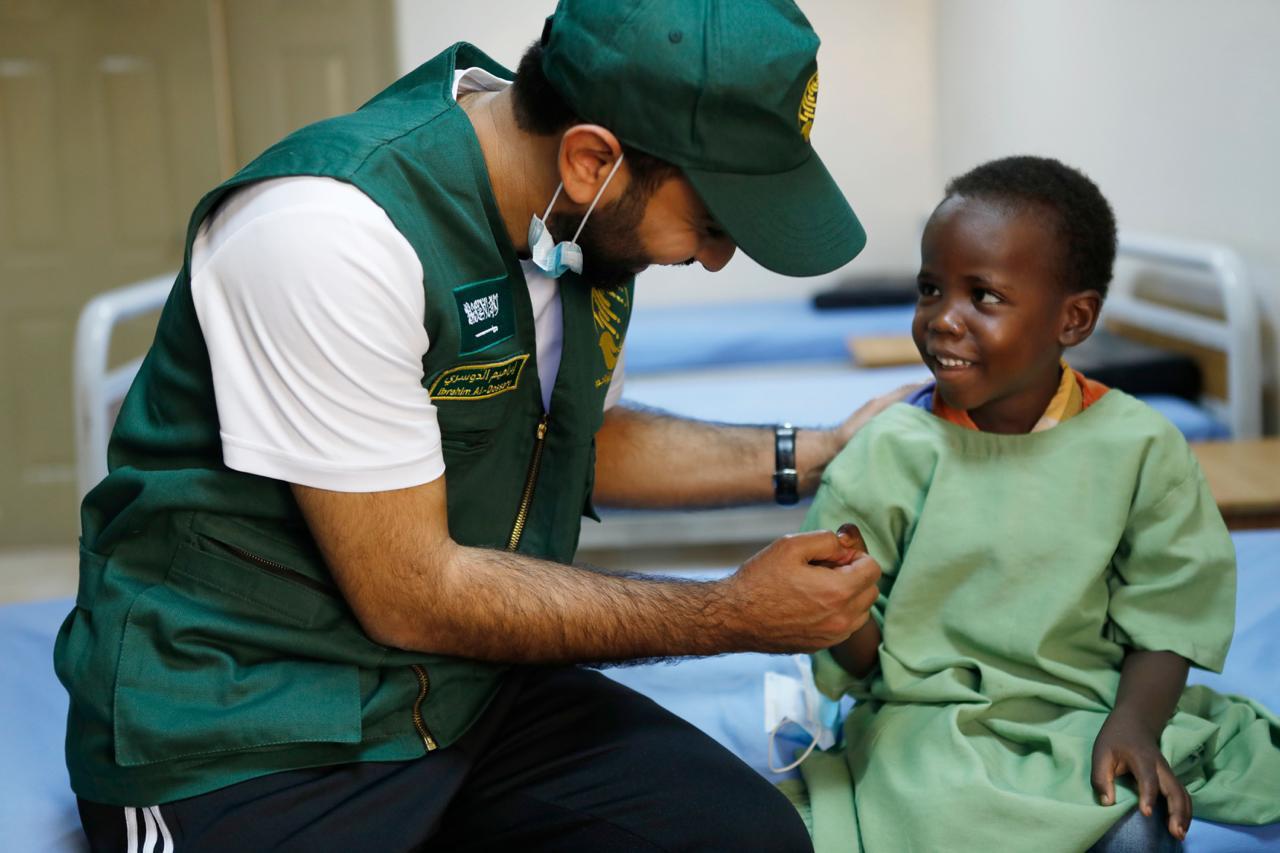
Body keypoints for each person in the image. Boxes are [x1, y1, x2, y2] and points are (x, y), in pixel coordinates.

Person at [56, 1, 893, 850]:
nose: (716, 257)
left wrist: (812, 454)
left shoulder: (580, 231)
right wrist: (731, 614)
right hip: (243, 729)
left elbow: (577, 439)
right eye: (713, 223)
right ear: (591, 156)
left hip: (465, 693)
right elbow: (411, 593)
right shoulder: (330, 233)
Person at [794, 156, 1280, 852]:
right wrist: (836, 606)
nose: (942, 320)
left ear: (1074, 318)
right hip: (930, 718)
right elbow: (864, 661)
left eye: (983, 296)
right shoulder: (891, 449)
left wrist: (1136, 724)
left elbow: (1170, 614)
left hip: (1092, 707)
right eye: (931, 289)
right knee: (925, 814)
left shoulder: (1140, 447)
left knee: (1140, 826)